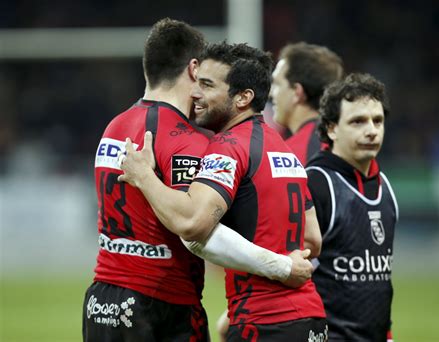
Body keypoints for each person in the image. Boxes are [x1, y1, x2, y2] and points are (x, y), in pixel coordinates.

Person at [83, 18, 312, 342]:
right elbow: (194, 229)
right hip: (160, 304)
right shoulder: (185, 140)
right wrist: (280, 265)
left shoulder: (114, 128)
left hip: (100, 302)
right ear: (193, 69)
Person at [305, 73, 398, 342]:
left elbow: (381, 283)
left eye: (377, 121)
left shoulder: (386, 187)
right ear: (332, 128)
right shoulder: (316, 183)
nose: (371, 130)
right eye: (358, 121)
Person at [270, 42, 344, 166]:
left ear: (297, 92)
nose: (271, 93)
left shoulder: (288, 159)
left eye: (277, 84)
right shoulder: (347, 145)